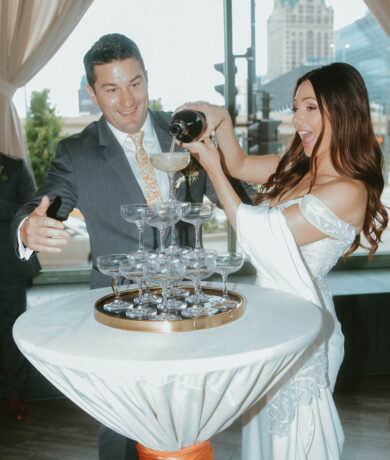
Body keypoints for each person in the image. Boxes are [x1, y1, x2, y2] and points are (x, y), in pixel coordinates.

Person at [11, 34, 253, 460]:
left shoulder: (183, 131)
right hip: (120, 311)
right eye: (111, 88)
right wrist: (26, 229)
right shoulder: (77, 151)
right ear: (92, 92)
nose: (127, 101)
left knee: (185, 420)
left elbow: (238, 197)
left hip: (187, 307)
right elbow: (40, 206)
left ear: (147, 79)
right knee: (123, 427)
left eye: (135, 84)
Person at [179, 62, 388, 459]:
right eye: (295, 107)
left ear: (342, 111)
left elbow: (263, 233)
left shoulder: (349, 190)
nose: (296, 119)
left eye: (310, 108)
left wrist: (210, 167)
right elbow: (238, 164)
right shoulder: (297, 167)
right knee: (263, 438)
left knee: (294, 442)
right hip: (269, 322)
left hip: (305, 329)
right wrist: (220, 119)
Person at [0, 152, 40, 420]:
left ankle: (13, 394)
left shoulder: (14, 167)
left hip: (7, 268)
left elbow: (30, 209)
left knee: (9, 332)